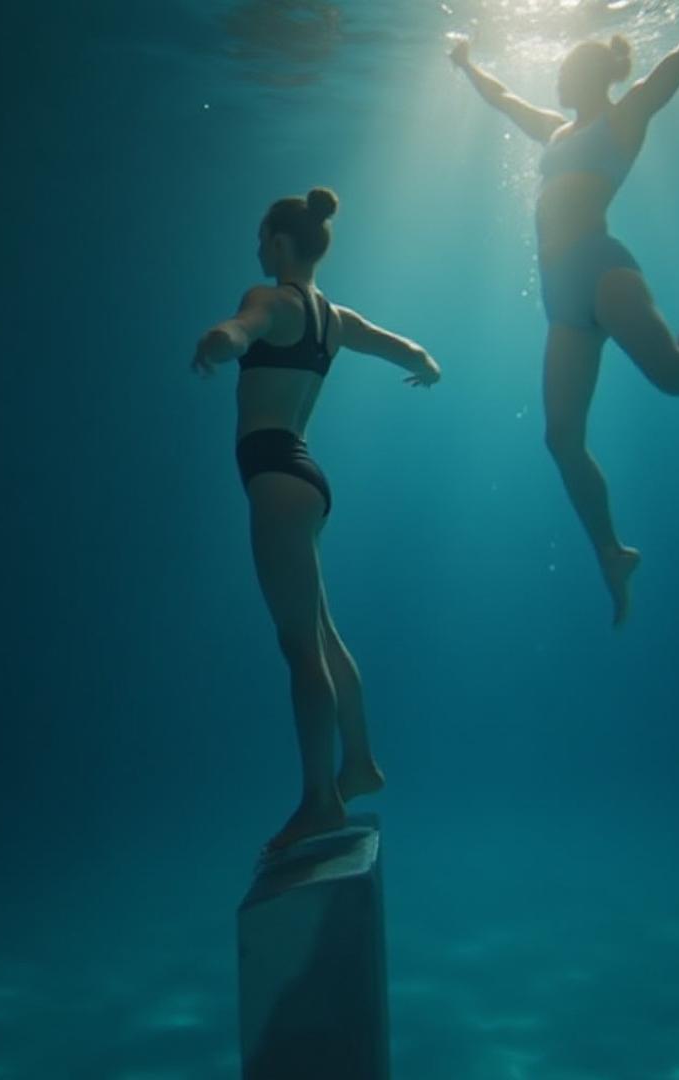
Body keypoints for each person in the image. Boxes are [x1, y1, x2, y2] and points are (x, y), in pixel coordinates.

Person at [451, 0, 679, 626]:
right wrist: (468, 65)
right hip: (561, 300)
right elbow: (503, 98)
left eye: (564, 70)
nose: (556, 78)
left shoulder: (626, 116)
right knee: (560, 439)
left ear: (589, 74)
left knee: (678, 377)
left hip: (602, 269)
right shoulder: (556, 130)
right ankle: (611, 551)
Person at [192, 187, 443, 857]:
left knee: (300, 647)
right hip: (306, 477)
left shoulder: (270, 299)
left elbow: (239, 330)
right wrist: (426, 367)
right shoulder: (335, 318)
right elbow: (406, 349)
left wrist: (215, 342)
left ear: (280, 242)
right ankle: (358, 763)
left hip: (275, 479)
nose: (257, 249)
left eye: (262, 238)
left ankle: (320, 801)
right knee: (321, 633)